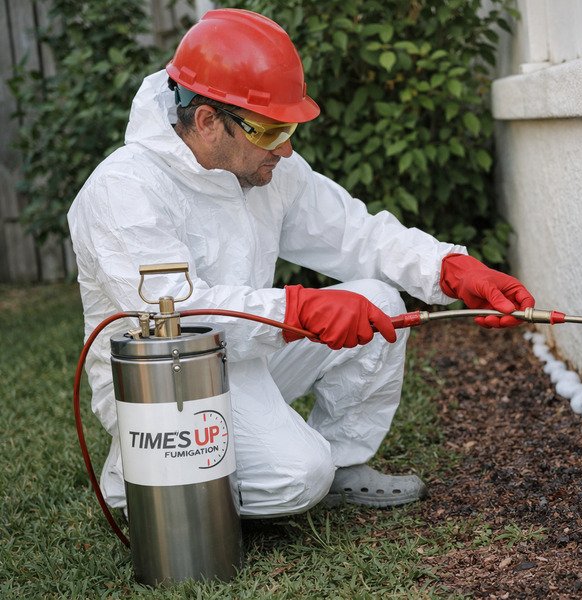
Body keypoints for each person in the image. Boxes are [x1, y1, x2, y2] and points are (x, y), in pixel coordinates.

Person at [67, 8, 534, 517]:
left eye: (288, 127)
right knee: (298, 476)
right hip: (165, 388)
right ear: (207, 122)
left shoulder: (264, 167)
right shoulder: (125, 191)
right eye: (270, 130)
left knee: (377, 301)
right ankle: (140, 484)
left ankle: (342, 463)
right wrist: (297, 311)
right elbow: (173, 318)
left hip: (245, 355)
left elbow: (356, 233)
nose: (286, 148)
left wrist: (450, 268)